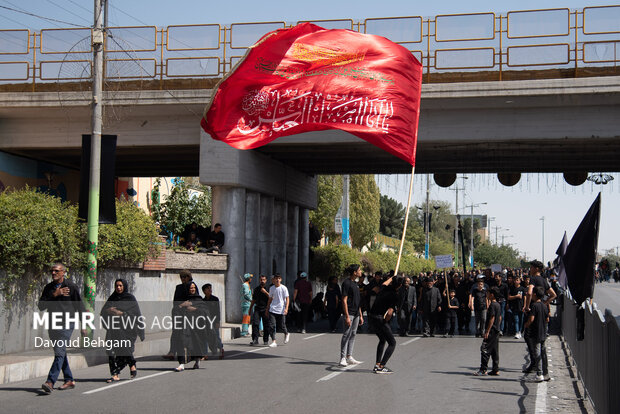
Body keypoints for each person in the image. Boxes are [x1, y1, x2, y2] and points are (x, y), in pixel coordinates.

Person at [38, 263, 87, 393]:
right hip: (52, 323)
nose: (53, 273)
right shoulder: (48, 288)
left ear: (63, 272)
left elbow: (80, 307)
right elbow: (41, 306)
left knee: (59, 352)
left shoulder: (71, 287)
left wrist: (84, 326)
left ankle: (50, 382)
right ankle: (69, 380)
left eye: (56, 271)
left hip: (67, 324)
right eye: (52, 271)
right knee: (60, 353)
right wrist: (55, 294)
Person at [100, 279, 145, 382]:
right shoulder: (113, 298)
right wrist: (109, 311)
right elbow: (103, 312)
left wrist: (121, 314)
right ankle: (115, 374)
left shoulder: (130, 299)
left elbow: (136, 315)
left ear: (124, 286)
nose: (118, 288)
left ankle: (131, 364)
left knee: (124, 350)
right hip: (113, 329)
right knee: (110, 350)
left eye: (120, 286)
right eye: (116, 286)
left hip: (128, 330)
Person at [369, 275, 402, 374]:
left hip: (372, 316)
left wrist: (392, 277)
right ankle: (381, 366)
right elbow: (389, 313)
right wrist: (386, 322)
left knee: (382, 340)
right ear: (400, 285)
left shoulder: (384, 288)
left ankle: (377, 364)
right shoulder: (395, 295)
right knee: (392, 343)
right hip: (379, 318)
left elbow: (384, 283)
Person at [174, 282, 208, 371]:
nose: (192, 289)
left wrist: (195, 309)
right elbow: (175, 310)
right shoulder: (184, 299)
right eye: (190, 288)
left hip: (197, 326)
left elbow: (205, 312)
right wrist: (182, 305)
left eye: (193, 288)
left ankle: (197, 361)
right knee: (182, 341)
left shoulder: (199, 300)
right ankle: (181, 363)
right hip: (185, 325)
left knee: (196, 343)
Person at [522, 286, 551, 382]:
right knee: (543, 352)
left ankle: (539, 373)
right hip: (543, 331)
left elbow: (531, 319)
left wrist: (527, 324)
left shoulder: (534, 306)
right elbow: (547, 319)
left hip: (536, 332)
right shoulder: (544, 305)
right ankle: (546, 373)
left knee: (537, 352)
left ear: (534, 294)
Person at [163, 270, 193, 360]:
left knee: (188, 333)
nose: (183, 279)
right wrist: (182, 305)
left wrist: (186, 304)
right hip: (178, 313)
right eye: (181, 277)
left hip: (189, 314)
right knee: (176, 332)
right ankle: (172, 352)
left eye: (184, 277)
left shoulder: (192, 286)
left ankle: (190, 352)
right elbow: (176, 301)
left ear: (188, 277)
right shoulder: (179, 287)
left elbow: (194, 300)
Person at [339, 264, 364, 367]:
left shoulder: (356, 284)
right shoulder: (346, 283)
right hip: (349, 312)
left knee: (353, 334)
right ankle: (342, 358)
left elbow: (358, 301)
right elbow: (344, 300)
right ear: (354, 272)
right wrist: (347, 316)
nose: (361, 271)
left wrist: (361, 315)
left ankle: (349, 356)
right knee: (346, 334)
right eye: (359, 270)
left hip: (357, 313)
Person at [474, 286, 502, 376]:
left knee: (484, 349)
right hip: (496, 330)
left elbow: (492, 318)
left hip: (492, 331)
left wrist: (487, 331)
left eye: (488, 293)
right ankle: (495, 369)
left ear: (492, 295)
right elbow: (500, 318)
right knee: (494, 350)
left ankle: (483, 369)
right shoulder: (498, 304)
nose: (487, 294)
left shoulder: (492, 305)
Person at [266, 274, 290, 347]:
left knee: (282, 325)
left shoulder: (284, 288)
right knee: (272, 325)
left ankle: (286, 333)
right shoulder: (272, 288)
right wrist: (267, 309)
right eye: (276, 278)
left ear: (281, 279)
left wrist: (286, 308)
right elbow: (270, 299)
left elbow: (287, 299)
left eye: (279, 278)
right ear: (274, 280)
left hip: (281, 309)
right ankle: (274, 341)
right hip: (272, 309)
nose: (277, 280)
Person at [202, 283, 224, 359]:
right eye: (208, 288)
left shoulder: (215, 299)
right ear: (204, 291)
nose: (210, 290)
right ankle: (205, 354)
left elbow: (218, 311)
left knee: (216, 337)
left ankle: (220, 348)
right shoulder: (203, 301)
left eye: (210, 288)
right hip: (206, 322)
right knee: (205, 337)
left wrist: (218, 321)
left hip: (214, 321)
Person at [249, 275, 270, 345]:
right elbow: (254, 300)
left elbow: (271, 298)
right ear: (259, 280)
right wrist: (250, 309)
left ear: (266, 280)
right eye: (261, 280)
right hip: (257, 308)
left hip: (266, 308)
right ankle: (255, 339)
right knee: (255, 323)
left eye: (264, 280)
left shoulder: (268, 288)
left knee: (266, 324)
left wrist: (265, 292)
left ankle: (266, 339)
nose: (262, 281)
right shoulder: (256, 289)